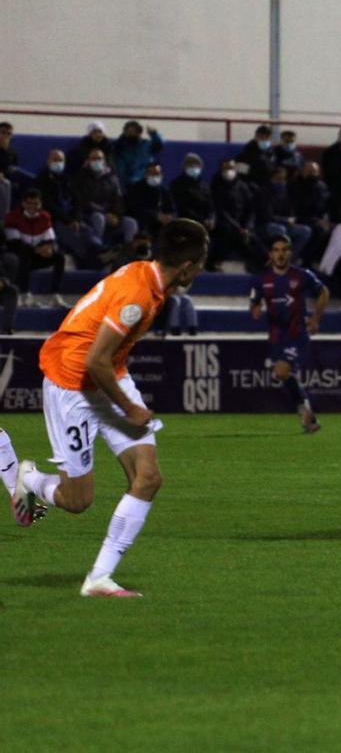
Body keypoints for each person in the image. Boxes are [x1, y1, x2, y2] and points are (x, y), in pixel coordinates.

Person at [12, 219, 208, 596]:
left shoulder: (145, 277)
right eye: (199, 264)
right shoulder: (137, 296)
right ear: (187, 267)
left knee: (148, 477)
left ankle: (99, 578)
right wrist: (129, 411)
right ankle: (31, 481)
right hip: (73, 385)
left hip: (109, 376)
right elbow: (94, 361)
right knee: (76, 501)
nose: (199, 271)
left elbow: (105, 362)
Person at [250, 235, 329, 433]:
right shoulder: (262, 280)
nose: (281, 254)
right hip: (276, 337)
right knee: (283, 375)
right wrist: (255, 309)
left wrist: (315, 318)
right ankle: (309, 418)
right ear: (270, 255)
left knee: (282, 371)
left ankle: (308, 416)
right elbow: (254, 303)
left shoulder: (302, 275)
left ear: (290, 253)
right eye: (276, 250)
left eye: (284, 250)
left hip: (297, 335)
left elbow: (324, 292)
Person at [72, 148, 137, 263]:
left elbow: (118, 199)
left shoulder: (112, 178)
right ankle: (100, 253)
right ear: (88, 161)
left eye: (99, 158)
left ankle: (129, 255)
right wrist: (104, 213)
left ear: (104, 160)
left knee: (130, 223)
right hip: (90, 215)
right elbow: (82, 201)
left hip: (111, 216)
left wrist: (116, 215)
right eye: (94, 158)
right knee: (99, 218)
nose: (97, 161)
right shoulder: (81, 178)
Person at [5, 189, 66, 304]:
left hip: (38, 255)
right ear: (23, 203)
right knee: (24, 254)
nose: (33, 207)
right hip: (21, 255)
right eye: (29, 203)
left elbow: (50, 238)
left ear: (40, 204)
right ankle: (25, 293)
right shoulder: (13, 217)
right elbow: (14, 243)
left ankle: (55, 294)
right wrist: (37, 249)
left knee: (59, 257)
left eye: (36, 204)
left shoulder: (45, 217)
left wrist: (48, 248)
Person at [210, 159, 262, 270]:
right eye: (225, 168)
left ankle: (260, 265)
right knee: (230, 237)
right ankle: (212, 264)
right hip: (225, 225)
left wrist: (247, 227)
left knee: (253, 240)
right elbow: (220, 211)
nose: (228, 171)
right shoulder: (216, 186)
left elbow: (250, 209)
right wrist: (238, 228)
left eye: (231, 168)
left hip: (243, 227)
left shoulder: (242, 186)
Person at [257, 166, 311, 260]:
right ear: (271, 179)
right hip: (265, 226)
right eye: (278, 179)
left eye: (283, 179)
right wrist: (285, 220)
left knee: (305, 230)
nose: (281, 181)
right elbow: (267, 216)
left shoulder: (286, 193)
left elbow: (290, 212)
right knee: (280, 229)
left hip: (284, 225)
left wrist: (292, 219)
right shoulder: (263, 192)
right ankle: (277, 259)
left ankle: (290, 259)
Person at [124, 161, 175, 236]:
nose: (154, 176)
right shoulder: (136, 188)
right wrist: (156, 216)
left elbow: (171, 208)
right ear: (145, 175)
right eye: (151, 174)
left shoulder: (164, 191)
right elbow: (135, 209)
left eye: (157, 174)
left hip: (161, 223)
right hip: (143, 222)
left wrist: (169, 216)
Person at [112, 121, 163, 188]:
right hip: (127, 184)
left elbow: (159, 145)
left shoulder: (146, 145)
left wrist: (154, 133)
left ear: (139, 132)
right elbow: (120, 169)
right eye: (129, 131)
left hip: (145, 182)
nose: (131, 133)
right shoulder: (121, 148)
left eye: (134, 131)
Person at [236, 124, 277, 189]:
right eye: (261, 137)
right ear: (256, 137)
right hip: (253, 188)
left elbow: (273, 168)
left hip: (268, 186)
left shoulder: (271, 153)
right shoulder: (246, 154)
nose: (264, 139)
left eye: (267, 137)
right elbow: (240, 175)